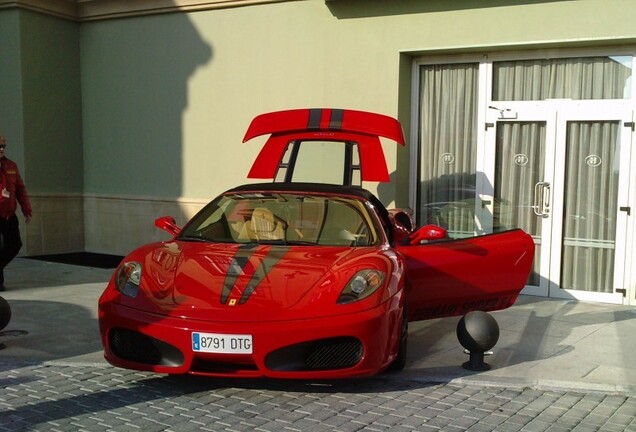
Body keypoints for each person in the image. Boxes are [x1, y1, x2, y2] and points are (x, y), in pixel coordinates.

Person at [0, 134, 32, 291]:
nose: (1, 149)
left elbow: (20, 189)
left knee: (15, 244)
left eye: (3, 146)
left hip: (9, 215)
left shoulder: (11, 166)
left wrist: (27, 209)